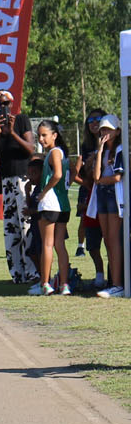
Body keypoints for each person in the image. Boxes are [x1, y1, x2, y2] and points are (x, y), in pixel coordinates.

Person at [0, 89, 38, 283]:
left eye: (6, 103)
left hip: (23, 178)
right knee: (11, 228)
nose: (3, 107)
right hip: (7, 179)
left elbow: (30, 148)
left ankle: (33, 271)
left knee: (26, 224)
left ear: (12, 104)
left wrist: (12, 133)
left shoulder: (21, 119)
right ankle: (17, 273)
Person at [31, 120, 71, 295]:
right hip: (63, 205)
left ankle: (45, 283)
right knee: (59, 245)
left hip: (50, 204)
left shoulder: (54, 152)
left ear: (54, 135)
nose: (41, 139)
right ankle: (64, 284)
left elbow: (57, 174)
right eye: (39, 135)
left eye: (44, 135)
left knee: (47, 245)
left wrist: (43, 192)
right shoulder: (63, 153)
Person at [89, 117, 125, 298]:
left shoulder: (120, 150)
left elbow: (117, 178)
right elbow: (96, 176)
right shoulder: (102, 151)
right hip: (101, 194)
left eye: (109, 130)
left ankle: (118, 283)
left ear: (117, 131)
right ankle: (114, 283)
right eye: (103, 129)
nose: (105, 133)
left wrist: (101, 180)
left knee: (114, 240)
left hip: (114, 195)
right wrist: (100, 150)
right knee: (108, 241)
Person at [72, 111, 107, 289]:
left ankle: (116, 277)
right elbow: (83, 173)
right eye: (90, 120)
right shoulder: (86, 146)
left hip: (108, 193)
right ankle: (99, 274)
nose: (93, 123)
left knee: (111, 240)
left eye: (98, 119)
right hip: (91, 192)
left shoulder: (113, 143)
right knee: (91, 236)